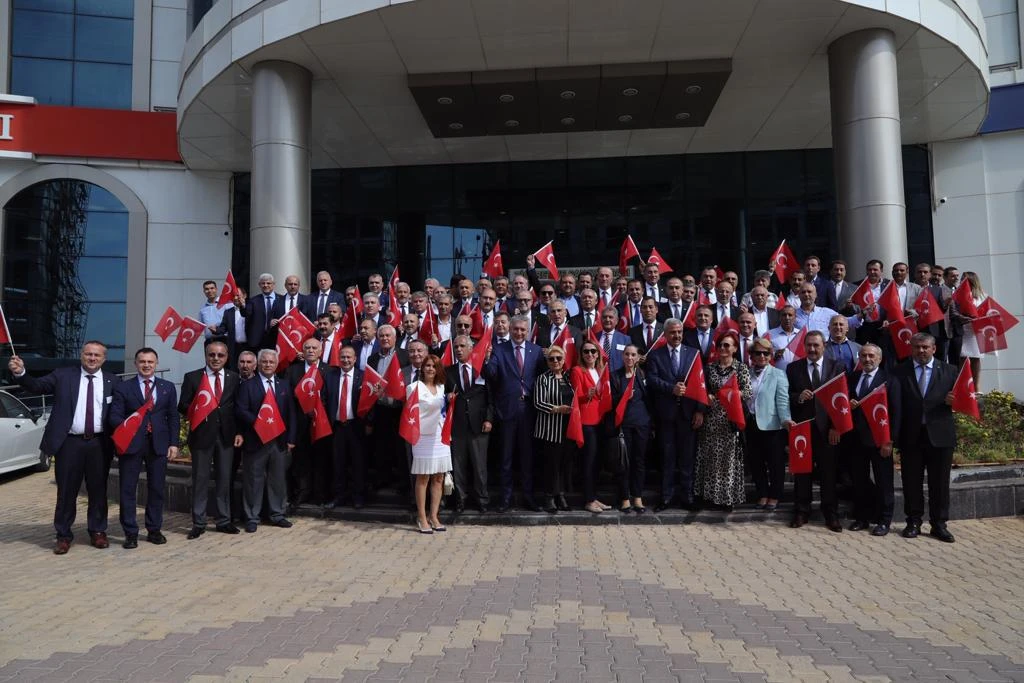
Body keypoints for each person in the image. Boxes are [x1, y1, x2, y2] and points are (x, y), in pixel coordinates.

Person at [9, 341, 120, 554]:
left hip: (100, 444)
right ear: (81, 355)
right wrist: (21, 372)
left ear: (104, 359)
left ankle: (97, 531)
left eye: (97, 355)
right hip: (69, 443)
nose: (92, 358)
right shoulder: (63, 375)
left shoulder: (113, 381)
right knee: (66, 491)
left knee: (98, 490)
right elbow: (36, 386)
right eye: (88, 354)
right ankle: (63, 535)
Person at [108, 347, 179, 548]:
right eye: (142, 361)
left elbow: (173, 417)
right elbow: (114, 416)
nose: (146, 365)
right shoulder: (124, 388)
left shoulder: (167, 387)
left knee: (156, 488)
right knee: (128, 489)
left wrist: (174, 443)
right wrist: (127, 427)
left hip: (158, 445)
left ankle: (154, 529)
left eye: (150, 361)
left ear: (156, 363)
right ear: (136, 364)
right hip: (132, 444)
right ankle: (130, 532)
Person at [892, 333, 959, 543]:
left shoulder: (950, 371)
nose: (921, 351)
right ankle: (913, 522)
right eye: (917, 347)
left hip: (940, 436)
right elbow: (895, 405)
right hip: (911, 435)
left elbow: (968, 401)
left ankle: (939, 525)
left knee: (939, 483)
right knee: (911, 482)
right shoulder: (899, 371)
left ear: (934, 349)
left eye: (925, 347)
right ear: (911, 349)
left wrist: (954, 402)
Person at [178, 340, 241, 539]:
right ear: (206, 356)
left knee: (224, 479)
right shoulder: (193, 377)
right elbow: (182, 405)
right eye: (212, 355)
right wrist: (197, 407)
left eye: (220, 355)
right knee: (200, 479)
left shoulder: (234, 378)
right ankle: (199, 522)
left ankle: (224, 520)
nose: (216, 359)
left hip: (226, 436)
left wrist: (239, 432)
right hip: (201, 435)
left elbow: (237, 409)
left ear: (227, 357)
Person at [484, 315, 546, 512]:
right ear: (510, 330)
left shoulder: (535, 351)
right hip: (507, 411)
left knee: (528, 457)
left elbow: (541, 377)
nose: (519, 333)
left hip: (529, 410)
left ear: (527, 331)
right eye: (516, 329)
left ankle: (529, 496)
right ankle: (505, 498)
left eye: (522, 330)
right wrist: (486, 361)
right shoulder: (499, 350)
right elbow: (491, 375)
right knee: (506, 458)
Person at [786, 331, 846, 532]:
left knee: (828, 474)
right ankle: (801, 511)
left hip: (828, 430)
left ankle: (831, 513)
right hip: (802, 429)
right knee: (802, 472)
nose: (812, 349)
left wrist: (836, 426)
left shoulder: (837, 366)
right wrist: (799, 397)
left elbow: (841, 398)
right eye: (809, 345)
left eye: (816, 345)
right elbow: (788, 396)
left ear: (824, 346)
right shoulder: (793, 368)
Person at [646, 319, 705, 511]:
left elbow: (700, 383)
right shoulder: (656, 355)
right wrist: (672, 389)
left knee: (687, 458)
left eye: (679, 332)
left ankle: (687, 496)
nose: (677, 336)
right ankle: (666, 497)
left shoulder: (693, 354)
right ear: (665, 334)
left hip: (688, 414)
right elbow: (652, 380)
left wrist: (699, 410)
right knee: (667, 457)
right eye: (673, 332)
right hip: (666, 415)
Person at [235, 349, 296, 533]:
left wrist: (291, 438)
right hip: (256, 440)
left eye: (271, 362)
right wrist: (260, 423)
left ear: (276, 364)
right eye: (264, 361)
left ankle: (277, 514)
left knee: (277, 480)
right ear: (258, 364)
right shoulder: (248, 385)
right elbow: (240, 409)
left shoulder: (284, 385)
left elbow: (291, 413)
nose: (268, 364)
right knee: (253, 480)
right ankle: (252, 517)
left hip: (278, 442)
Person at [846, 344, 900, 536]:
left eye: (871, 356)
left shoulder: (889, 380)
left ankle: (884, 520)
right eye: (863, 356)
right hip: (856, 440)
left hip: (880, 440)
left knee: (884, 481)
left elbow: (896, 413)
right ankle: (862, 518)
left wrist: (889, 441)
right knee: (859, 481)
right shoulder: (852, 378)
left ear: (879, 358)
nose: (867, 359)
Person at [694, 332, 750, 511]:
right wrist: (707, 396)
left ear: (735, 349)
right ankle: (709, 497)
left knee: (727, 462)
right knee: (709, 459)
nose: (723, 349)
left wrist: (730, 394)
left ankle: (726, 498)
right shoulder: (709, 368)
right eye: (721, 345)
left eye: (728, 345)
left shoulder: (741, 368)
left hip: (730, 420)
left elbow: (747, 391)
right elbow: (701, 390)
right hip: (711, 420)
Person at [445, 336, 492, 514]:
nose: (458, 349)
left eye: (462, 346)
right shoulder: (448, 371)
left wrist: (489, 419)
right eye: (456, 347)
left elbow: (490, 397)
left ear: (471, 349)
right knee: (458, 466)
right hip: (457, 426)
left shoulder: (481, 370)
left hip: (479, 425)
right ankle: (460, 500)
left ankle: (482, 500)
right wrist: (446, 397)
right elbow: (442, 395)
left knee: (480, 466)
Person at [744, 338, 792, 513]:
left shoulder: (778, 374)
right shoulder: (745, 373)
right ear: (751, 355)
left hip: (773, 425)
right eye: (758, 353)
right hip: (750, 424)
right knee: (756, 462)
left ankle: (775, 495)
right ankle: (762, 493)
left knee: (775, 463)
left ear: (771, 356)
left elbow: (782, 400)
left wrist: (786, 419)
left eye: (766, 353)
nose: (762, 356)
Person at [408, 355, 453, 533]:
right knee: (423, 477)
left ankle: (434, 516)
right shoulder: (414, 387)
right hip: (422, 437)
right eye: (427, 365)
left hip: (439, 437)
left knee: (438, 477)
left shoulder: (442, 388)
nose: (430, 369)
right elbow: (411, 413)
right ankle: (421, 516)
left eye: (434, 366)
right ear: (422, 368)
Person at [284, 338, 329, 507]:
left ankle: (320, 494)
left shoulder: (328, 370)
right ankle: (303, 491)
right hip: (299, 423)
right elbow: (288, 398)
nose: (310, 350)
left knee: (321, 459)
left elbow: (330, 396)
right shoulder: (292, 371)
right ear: (302, 351)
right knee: (301, 460)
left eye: (314, 348)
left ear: (321, 351)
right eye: (307, 348)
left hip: (321, 423)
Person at [324, 345, 368, 508]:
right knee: (338, 463)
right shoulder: (330, 376)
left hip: (356, 426)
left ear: (355, 359)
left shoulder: (363, 377)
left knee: (358, 463)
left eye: (349, 357)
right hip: (336, 427)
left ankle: (358, 497)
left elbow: (369, 402)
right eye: (342, 357)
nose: (346, 360)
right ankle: (339, 496)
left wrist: (368, 423)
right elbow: (324, 400)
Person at [533, 345, 576, 514]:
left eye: (559, 358)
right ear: (547, 361)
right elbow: (538, 402)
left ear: (564, 360)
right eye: (552, 359)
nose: (556, 361)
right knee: (551, 465)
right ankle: (549, 497)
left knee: (564, 464)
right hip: (550, 430)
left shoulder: (568, 378)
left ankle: (561, 495)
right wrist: (557, 409)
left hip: (567, 429)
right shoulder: (543, 379)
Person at [571, 340, 611, 514]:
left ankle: (594, 497)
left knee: (597, 463)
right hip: (587, 422)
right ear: (581, 354)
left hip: (601, 421)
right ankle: (588, 499)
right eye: (586, 352)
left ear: (598, 354)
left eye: (593, 351)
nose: (590, 355)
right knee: (588, 461)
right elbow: (575, 398)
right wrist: (585, 395)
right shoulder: (577, 370)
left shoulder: (601, 371)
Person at [610, 345, 651, 514]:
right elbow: (611, 401)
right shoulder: (615, 376)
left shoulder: (642, 374)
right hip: (624, 425)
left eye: (633, 355)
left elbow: (650, 399)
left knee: (639, 461)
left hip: (642, 424)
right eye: (627, 354)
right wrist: (624, 396)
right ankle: (625, 498)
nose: (630, 358)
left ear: (638, 357)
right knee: (624, 463)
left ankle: (638, 497)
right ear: (622, 356)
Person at [952, 271, 986, 391]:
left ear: (972, 281)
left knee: (976, 358)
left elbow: (987, 311)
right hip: (962, 329)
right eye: (961, 279)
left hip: (976, 331)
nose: (962, 281)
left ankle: (976, 387)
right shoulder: (956, 294)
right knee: (962, 357)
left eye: (965, 279)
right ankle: (963, 387)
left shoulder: (981, 296)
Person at [240, 272, 279, 351]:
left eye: (268, 283)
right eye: (263, 283)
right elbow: (246, 313)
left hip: (276, 338)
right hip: (258, 340)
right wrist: (243, 305)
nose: (265, 285)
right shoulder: (253, 300)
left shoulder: (281, 299)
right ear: (259, 285)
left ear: (273, 284)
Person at [217, 287, 248, 365]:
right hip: (233, 347)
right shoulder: (228, 312)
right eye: (233, 296)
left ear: (244, 296)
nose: (235, 298)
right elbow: (223, 328)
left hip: (249, 346)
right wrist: (216, 330)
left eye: (237, 295)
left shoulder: (252, 309)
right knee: (234, 369)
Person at [766, 305, 800, 371]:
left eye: (790, 315)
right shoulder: (769, 335)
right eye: (784, 315)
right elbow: (762, 355)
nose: (787, 318)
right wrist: (774, 355)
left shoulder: (801, 334)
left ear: (795, 318)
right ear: (780, 317)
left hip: (798, 374)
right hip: (777, 375)